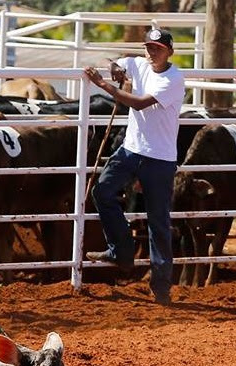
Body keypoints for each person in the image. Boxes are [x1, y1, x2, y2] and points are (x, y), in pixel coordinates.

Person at [84, 28, 185, 306]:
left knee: (158, 221)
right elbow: (114, 61)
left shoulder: (175, 79)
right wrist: (116, 69)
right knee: (102, 192)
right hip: (132, 148)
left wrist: (104, 85)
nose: (152, 52)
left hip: (159, 157)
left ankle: (161, 286)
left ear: (169, 52)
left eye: (158, 48)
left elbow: (139, 104)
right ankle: (122, 251)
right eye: (149, 47)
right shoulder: (138, 64)